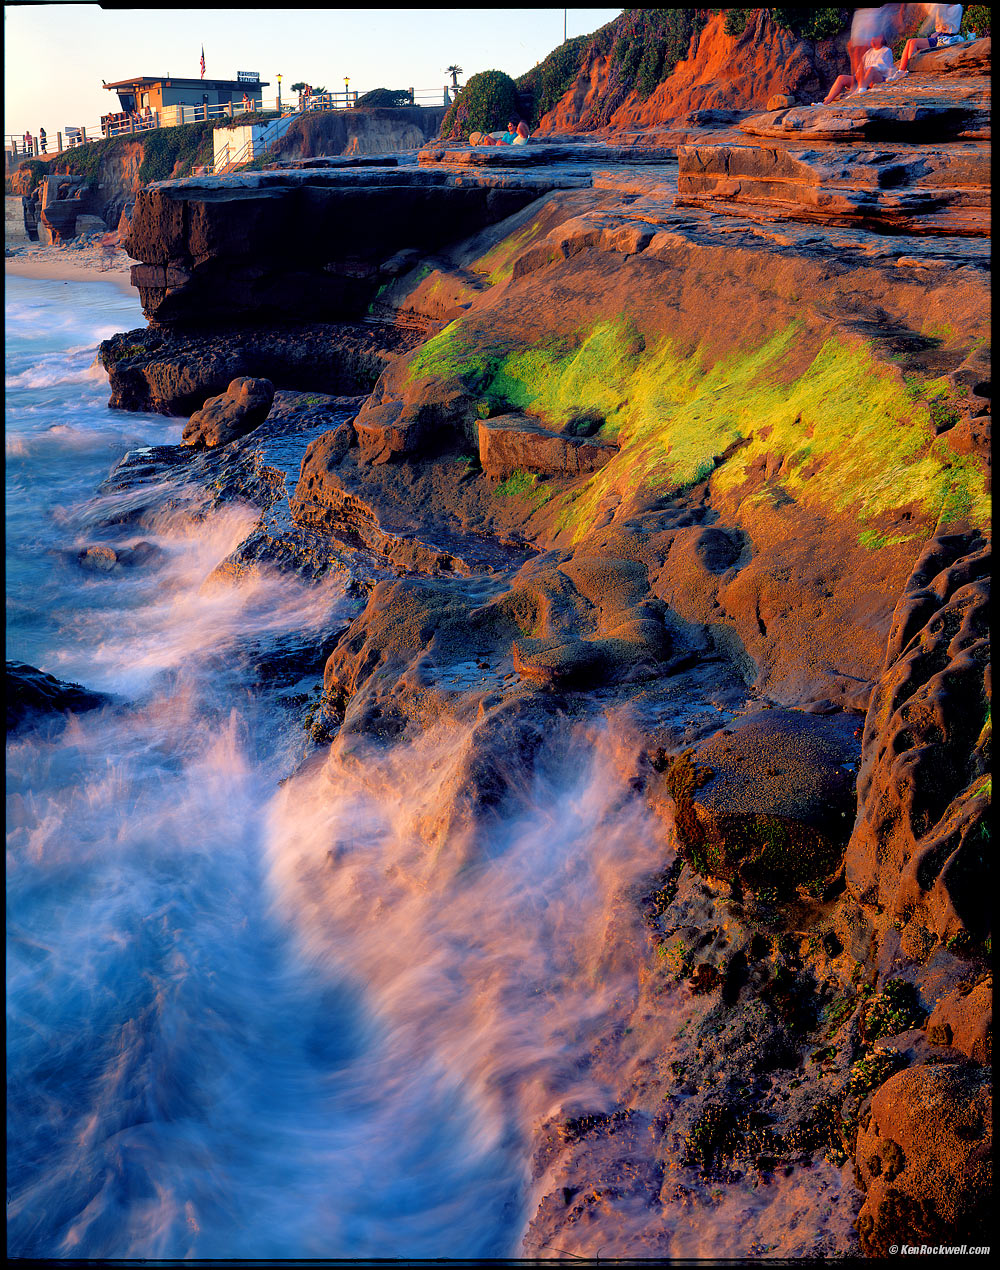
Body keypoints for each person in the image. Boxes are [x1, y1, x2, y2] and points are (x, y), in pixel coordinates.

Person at [823, 33, 895, 102]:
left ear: (880, 38)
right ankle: (827, 101)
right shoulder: (869, 52)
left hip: (877, 79)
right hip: (863, 79)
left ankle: (860, 90)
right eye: (871, 40)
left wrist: (866, 70)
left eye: (873, 39)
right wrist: (858, 73)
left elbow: (885, 68)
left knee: (871, 69)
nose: (871, 41)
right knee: (841, 78)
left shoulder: (886, 50)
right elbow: (860, 67)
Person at [896, 4, 964, 74]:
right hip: (938, 35)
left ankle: (910, 70)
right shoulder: (943, 6)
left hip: (945, 37)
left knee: (914, 42)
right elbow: (932, 10)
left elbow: (947, 24)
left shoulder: (957, 7)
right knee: (909, 41)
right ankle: (901, 71)